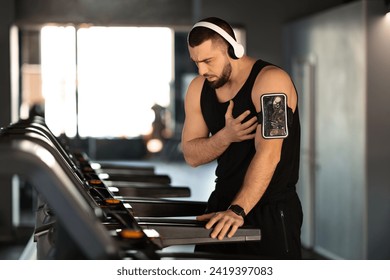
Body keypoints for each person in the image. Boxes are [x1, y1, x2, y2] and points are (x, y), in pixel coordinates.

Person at [181, 17, 303, 259]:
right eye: (196, 62)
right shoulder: (198, 88)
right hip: (221, 207)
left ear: (233, 50)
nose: (202, 70)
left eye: (208, 61)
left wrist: (238, 210)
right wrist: (225, 137)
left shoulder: (272, 82)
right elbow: (191, 156)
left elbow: (270, 154)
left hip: (269, 209)